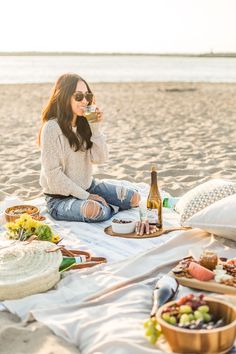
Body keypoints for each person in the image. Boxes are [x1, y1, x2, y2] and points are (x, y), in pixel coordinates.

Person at [38, 73, 141, 223]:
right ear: (64, 97)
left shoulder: (84, 123)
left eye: (88, 96)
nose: (85, 101)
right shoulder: (51, 128)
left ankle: (106, 206)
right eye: (78, 96)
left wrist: (95, 128)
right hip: (59, 199)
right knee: (96, 210)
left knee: (134, 199)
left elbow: (100, 158)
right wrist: (87, 197)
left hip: (88, 186)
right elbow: (53, 177)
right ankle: (108, 208)